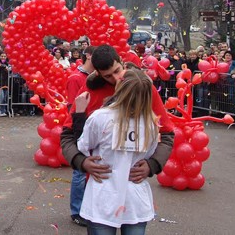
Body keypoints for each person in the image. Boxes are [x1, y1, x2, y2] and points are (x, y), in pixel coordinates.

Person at [60, 45, 174, 228]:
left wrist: (153, 165)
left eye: (117, 71)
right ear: (97, 73)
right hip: (101, 189)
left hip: (133, 190)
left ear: (122, 62)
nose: (115, 79)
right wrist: (80, 161)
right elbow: (67, 135)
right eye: (108, 76)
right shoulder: (89, 92)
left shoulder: (142, 89)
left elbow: (167, 133)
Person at [77, 69, 159, 234]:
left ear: (119, 89)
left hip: (103, 196)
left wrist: (79, 114)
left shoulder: (100, 117)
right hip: (135, 198)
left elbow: (83, 146)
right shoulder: (151, 123)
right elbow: (149, 154)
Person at [65, 46, 96, 227]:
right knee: (79, 171)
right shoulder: (76, 78)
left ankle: (87, 207)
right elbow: (72, 106)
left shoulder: (94, 78)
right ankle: (77, 211)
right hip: (80, 126)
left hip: (94, 127)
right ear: (89, 56)